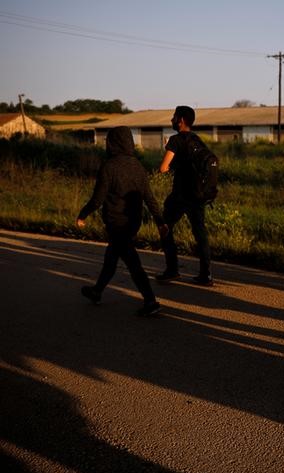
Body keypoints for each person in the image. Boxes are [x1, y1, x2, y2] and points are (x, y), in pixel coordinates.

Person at [76, 126, 168, 316]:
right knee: (111, 257)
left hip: (116, 223)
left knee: (132, 263)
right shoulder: (138, 166)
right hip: (134, 222)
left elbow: (98, 199)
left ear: (112, 143)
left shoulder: (109, 166)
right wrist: (160, 221)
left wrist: (83, 215)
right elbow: (149, 198)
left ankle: (150, 302)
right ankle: (97, 291)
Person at [156, 105, 213, 286]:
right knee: (200, 234)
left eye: (173, 117)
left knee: (165, 228)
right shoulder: (198, 140)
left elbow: (163, 168)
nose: (171, 120)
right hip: (198, 195)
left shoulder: (175, 140)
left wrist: (173, 167)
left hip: (180, 196)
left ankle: (172, 270)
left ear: (180, 120)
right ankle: (206, 275)